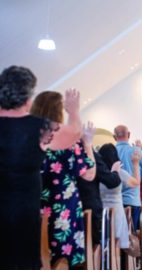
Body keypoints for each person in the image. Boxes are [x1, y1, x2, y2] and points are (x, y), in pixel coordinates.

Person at [0, 66, 81, 269]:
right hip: (23, 214)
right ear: (28, 98)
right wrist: (73, 111)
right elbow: (74, 133)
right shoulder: (40, 128)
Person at [31, 91, 96, 267]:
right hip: (62, 211)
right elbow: (89, 174)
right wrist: (88, 143)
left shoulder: (25, 138)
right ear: (59, 112)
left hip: (31, 210)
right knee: (62, 259)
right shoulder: (66, 143)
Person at [98, 143, 141, 249]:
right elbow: (136, 183)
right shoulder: (120, 173)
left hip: (99, 212)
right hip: (116, 213)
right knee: (116, 243)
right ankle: (117, 263)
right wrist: (135, 164)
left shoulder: (97, 173)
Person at [78, 149, 121, 246]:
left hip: (69, 208)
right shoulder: (88, 153)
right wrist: (115, 171)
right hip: (89, 208)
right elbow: (111, 181)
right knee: (93, 247)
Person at [114, 125, 142, 230]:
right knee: (131, 233)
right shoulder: (136, 151)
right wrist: (140, 173)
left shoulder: (111, 151)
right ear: (129, 135)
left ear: (114, 137)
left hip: (116, 199)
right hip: (132, 198)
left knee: (115, 234)